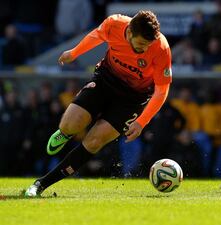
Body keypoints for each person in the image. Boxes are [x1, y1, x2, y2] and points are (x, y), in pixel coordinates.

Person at [25, 10, 172, 197]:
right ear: (129, 33)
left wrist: (142, 122)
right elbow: (96, 35)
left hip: (133, 98)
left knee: (94, 141)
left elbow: (161, 90)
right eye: (141, 44)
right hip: (106, 79)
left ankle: (41, 184)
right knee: (71, 124)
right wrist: (74, 52)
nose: (145, 49)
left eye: (148, 45)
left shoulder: (160, 47)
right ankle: (65, 133)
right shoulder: (114, 24)